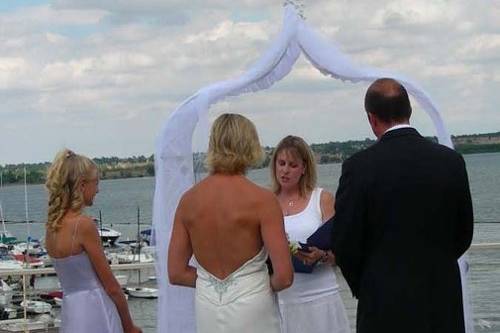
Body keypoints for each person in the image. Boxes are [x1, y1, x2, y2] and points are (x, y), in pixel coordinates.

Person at [331, 78, 474, 333]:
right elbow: (464, 233)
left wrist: (367, 284)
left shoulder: (358, 167)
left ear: (372, 119)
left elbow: (345, 241)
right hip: (441, 300)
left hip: (384, 304)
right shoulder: (451, 161)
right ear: (409, 111)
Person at [168, 113, 293, 333]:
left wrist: (214, 287)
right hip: (254, 304)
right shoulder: (262, 200)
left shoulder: (188, 201)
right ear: (249, 145)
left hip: (207, 306)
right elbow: (284, 277)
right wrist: (251, 287)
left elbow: (176, 272)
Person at [45, 149, 141, 333]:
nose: (98, 189)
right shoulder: (83, 225)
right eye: (96, 182)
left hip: (72, 312)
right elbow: (111, 286)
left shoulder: (51, 227)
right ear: (82, 185)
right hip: (96, 310)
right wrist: (129, 325)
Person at [271, 135, 350, 333]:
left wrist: (321, 255)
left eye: (292, 165)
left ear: (304, 168)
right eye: (281, 163)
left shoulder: (321, 199)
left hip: (321, 296)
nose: (285, 170)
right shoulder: (266, 203)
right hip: (284, 300)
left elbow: (343, 252)